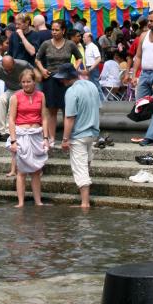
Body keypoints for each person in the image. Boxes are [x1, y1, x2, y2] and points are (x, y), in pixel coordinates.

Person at [57, 62, 101, 209]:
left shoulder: (71, 92)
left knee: (80, 168)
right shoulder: (91, 85)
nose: (60, 81)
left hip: (79, 135)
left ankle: (85, 203)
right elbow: (98, 107)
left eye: (62, 78)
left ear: (67, 78)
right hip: (93, 132)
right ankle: (85, 199)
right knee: (86, 163)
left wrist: (65, 139)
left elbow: (70, 118)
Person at [35, 19, 82, 144]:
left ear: (63, 30)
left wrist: (74, 69)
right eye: (53, 30)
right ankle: (51, 138)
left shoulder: (70, 44)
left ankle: (68, 137)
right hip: (50, 78)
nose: (54, 32)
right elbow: (37, 59)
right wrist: (42, 69)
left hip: (66, 79)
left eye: (57, 30)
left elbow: (79, 58)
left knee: (68, 108)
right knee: (52, 110)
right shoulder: (46, 44)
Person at [8, 68, 49, 207]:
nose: (26, 84)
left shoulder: (41, 96)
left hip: (36, 133)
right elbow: (11, 119)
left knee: (36, 171)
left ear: (34, 82)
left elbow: (44, 118)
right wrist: (13, 140)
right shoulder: (15, 97)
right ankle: (20, 202)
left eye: (28, 82)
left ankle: (38, 200)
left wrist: (46, 137)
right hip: (22, 134)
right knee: (21, 171)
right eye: (23, 82)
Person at [0, 54, 34, 141]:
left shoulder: (23, 64)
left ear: (14, 63)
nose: (8, 72)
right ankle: (0, 131)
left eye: (10, 69)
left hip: (22, 90)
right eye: (6, 69)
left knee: (12, 100)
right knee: (0, 100)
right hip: (10, 90)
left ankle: (8, 131)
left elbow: (35, 75)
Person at [82, 32, 102, 96]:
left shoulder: (93, 46)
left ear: (89, 38)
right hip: (89, 67)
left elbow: (99, 59)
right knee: (91, 86)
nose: (83, 39)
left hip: (92, 68)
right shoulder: (87, 47)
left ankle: (102, 102)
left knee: (96, 85)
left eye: (84, 37)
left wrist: (91, 68)